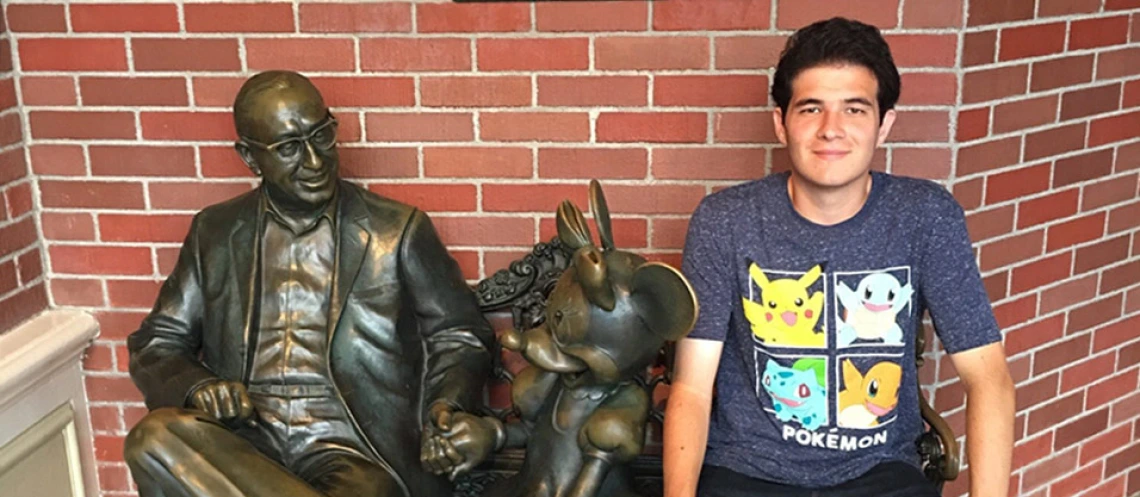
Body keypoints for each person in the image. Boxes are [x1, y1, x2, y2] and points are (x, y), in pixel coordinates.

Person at [663, 18, 1015, 497]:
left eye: (855, 109)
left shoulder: (926, 216)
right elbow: (691, 388)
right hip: (747, 472)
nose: (832, 130)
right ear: (780, 121)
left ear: (883, 123)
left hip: (881, 474)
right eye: (811, 109)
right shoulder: (725, 221)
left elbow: (988, 378)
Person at [123, 70, 495, 497]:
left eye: (322, 136)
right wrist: (200, 386)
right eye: (289, 149)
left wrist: (444, 408)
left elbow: (459, 335)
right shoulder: (216, 233)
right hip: (244, 441)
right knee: (152, 439)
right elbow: (158, 342)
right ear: (249, 156)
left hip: (357, 450)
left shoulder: (397, 231)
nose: (315, 161)